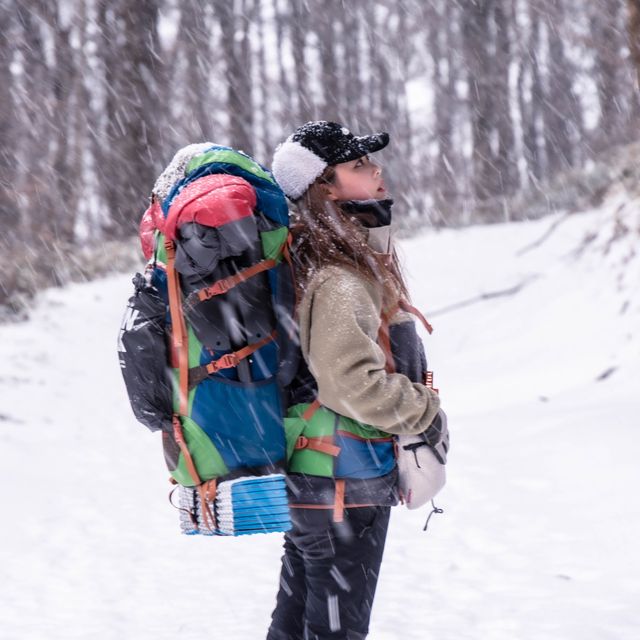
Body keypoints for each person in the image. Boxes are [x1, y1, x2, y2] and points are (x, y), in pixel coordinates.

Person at [266, 121, 446, 640]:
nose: (376, 171)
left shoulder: (316, 257)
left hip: (316, 473)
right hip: (345, 479)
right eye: (359, 165)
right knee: (334, 631)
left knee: (298, 623)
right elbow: (350, 383)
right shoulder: (339, 273)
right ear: (325, 186)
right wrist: (424, 409)